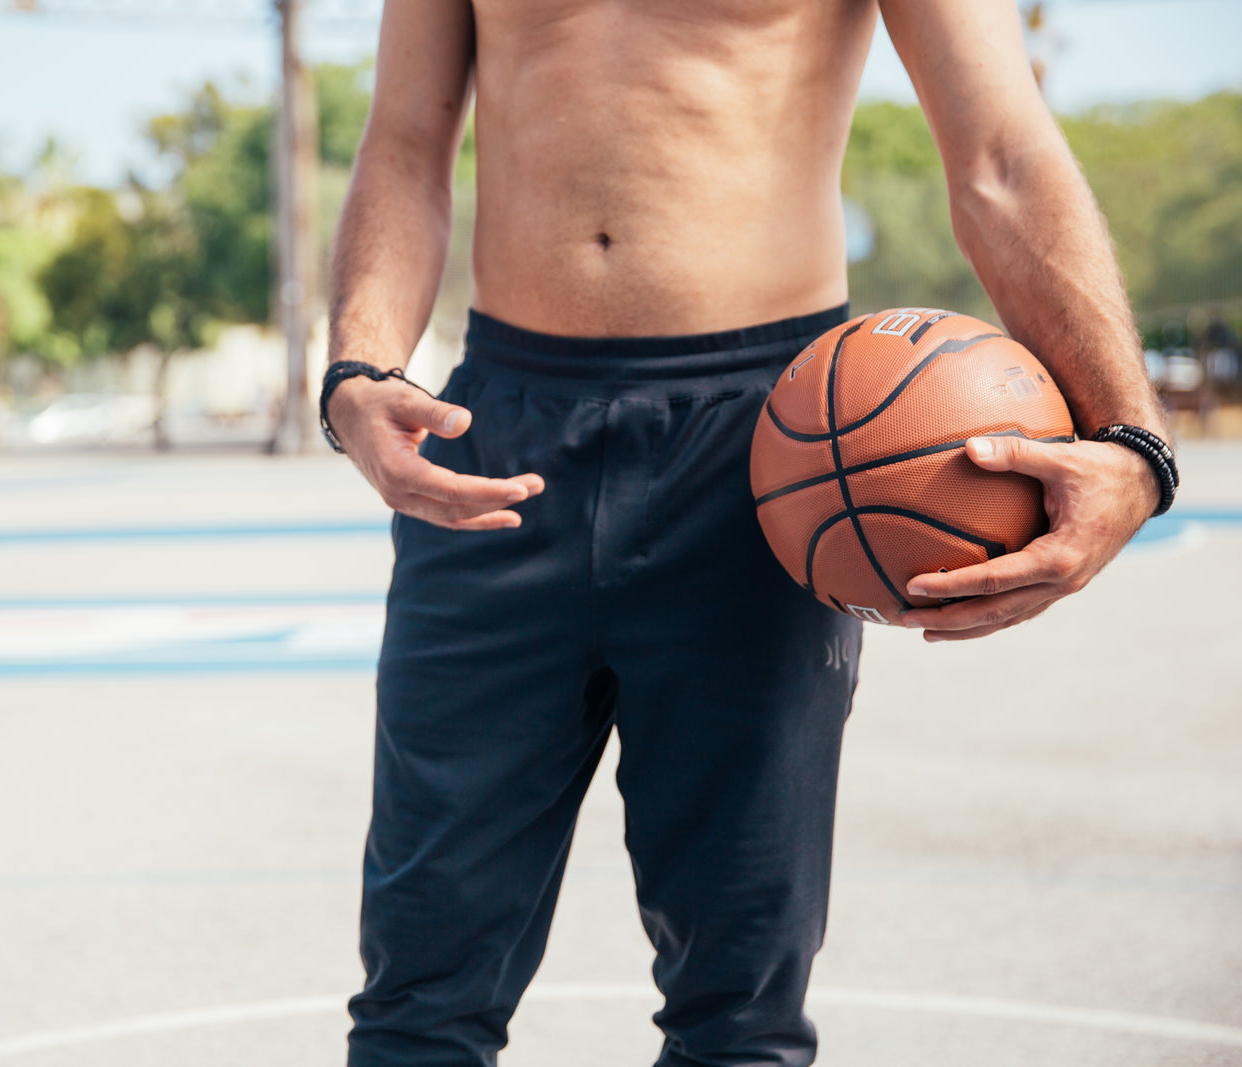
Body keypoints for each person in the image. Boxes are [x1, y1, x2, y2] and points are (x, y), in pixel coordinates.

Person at [319, 1, 1175, 1063]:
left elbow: (998, 152)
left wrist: (1133, 438)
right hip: (496, 432)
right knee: (417, 990)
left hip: (767, 450)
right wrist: (358, 367)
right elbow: (403, 144)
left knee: (738, 1008)